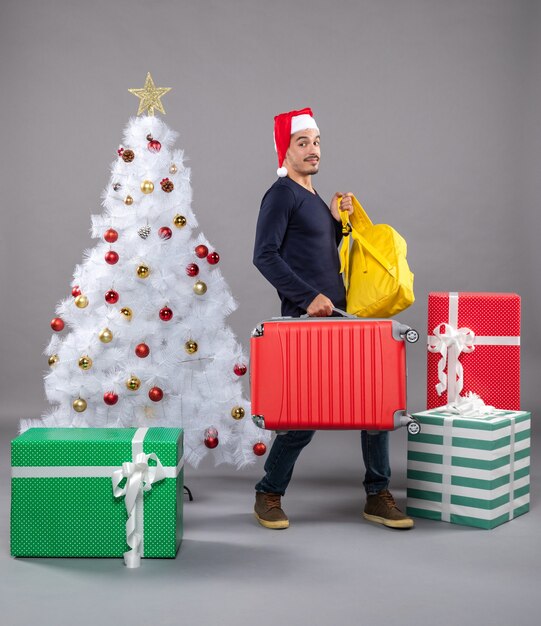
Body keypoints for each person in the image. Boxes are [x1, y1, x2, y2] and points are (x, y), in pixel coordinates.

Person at [252, 107, 414, 530]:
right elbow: (263, 255)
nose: (312, 150)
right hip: (306, 320)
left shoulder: (312, 197)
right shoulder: (281, 193)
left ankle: (377, 494)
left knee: (373, 404)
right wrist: (307, 298)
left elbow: (320, 255)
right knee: (302, 418)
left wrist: (341, 224)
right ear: (284, 151)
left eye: (316, 142)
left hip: (341, 316)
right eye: (302, 143)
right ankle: (268, 493)